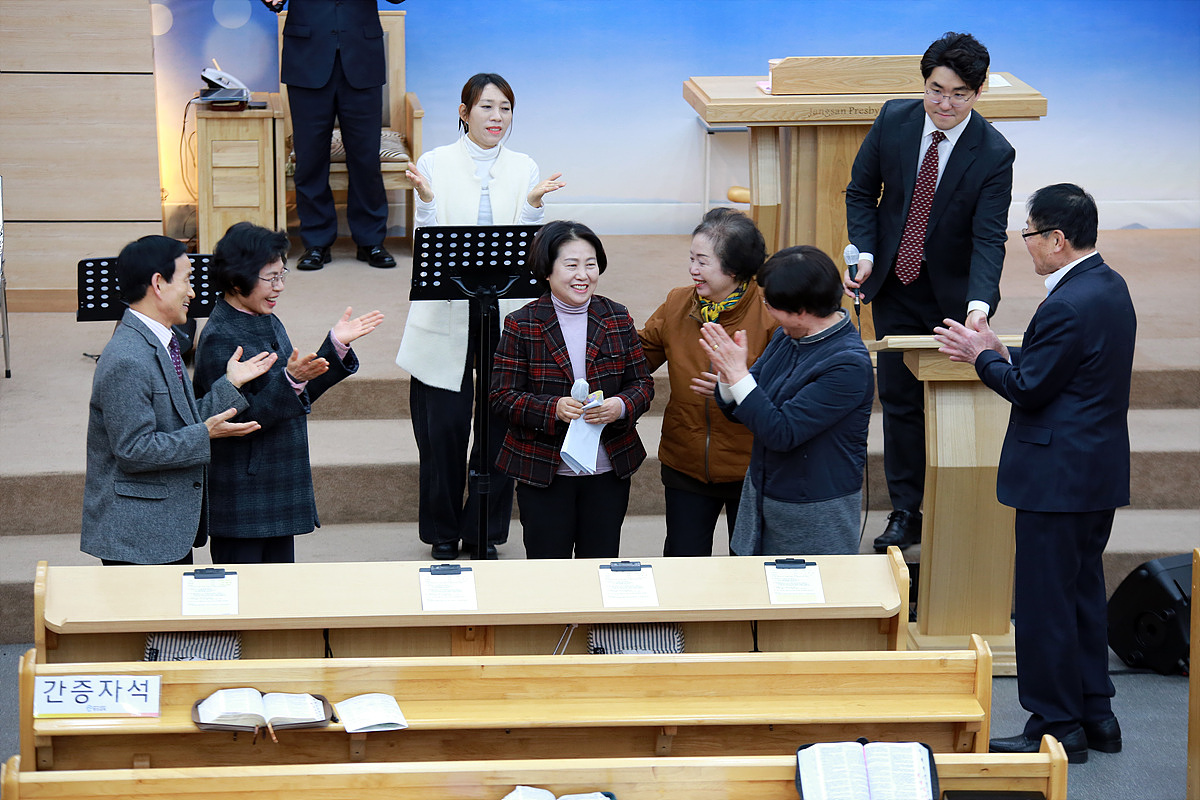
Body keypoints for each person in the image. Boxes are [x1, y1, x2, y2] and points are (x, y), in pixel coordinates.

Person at [933, 184, 1134, 764]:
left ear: (1056, 238)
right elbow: (1068, 369)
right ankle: (1096, 715)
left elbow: (1030, 390)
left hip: (1055, 479)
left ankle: (1056, 725)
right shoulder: (1109, 285)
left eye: (1028, 234)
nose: (1025, 245)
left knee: (1046, 606)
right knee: (1082, 597)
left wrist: (981, 358)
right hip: (1093, 473)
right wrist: (1002, 351)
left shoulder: (1066, 303)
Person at [844, 31, 1014, 553]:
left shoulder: (994, 153)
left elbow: (988, 237)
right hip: (895, 283)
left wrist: (979, 307)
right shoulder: (894, 119)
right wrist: (865, 252)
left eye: (959, 94)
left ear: (979, 92)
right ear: (924, 84)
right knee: (899, 401)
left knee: (954, 403)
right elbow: (861, 192)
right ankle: (905, 510)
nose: (944, 104)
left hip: (953, 299)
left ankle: (958, 509)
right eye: (936, 90)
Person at [395, 72, 565, 560]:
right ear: (464, 112)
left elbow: (529, 251)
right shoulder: (436, 162)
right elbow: (429, 239)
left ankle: (484, 531)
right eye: (487, 107)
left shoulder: (523, 166)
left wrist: (532, 206)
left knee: (500, 429)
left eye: (505, 108)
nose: (497, 117)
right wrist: (426, 201)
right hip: (446, 309)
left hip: (504, 311)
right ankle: (442, 532)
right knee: (442, 431)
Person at [193, 222, 384, 564]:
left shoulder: (264, 318)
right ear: (236, 280)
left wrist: (334, 347)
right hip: (245, 497)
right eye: (270, 278)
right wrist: (291, 381)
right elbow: (237, 421)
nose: (279, 287)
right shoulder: (220, 335)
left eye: (282, 275)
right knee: (246, 593)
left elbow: (295, 396)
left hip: (276, 483)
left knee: (281, 592)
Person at [81, 235, 276, 565]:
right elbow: (133, 450)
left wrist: (230, 383)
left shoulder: (161, 341)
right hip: (138, 538)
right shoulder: (127, 358)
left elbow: (181, 420)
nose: (193, 292)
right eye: (186, 280)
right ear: (158, 284)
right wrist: (205, 435)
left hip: (161, 530)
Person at [490, 221, 654, 559]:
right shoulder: (523, 323)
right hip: (545, 471)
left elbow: (642, 383)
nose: (583, 275)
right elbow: (502, 396)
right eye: (571, 265)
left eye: (590, 264)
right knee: (550, 569)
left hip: (607, 469)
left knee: (600, 563)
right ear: (546, 270)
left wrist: (620, 406)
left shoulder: (616, 316)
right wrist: (552, 408)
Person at [701, 246, 873, 557]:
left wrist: (738, 375)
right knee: (750, 581)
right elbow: (746, 406)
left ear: (801, 310)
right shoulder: (787, 335)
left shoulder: (848, 364)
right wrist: (728, 377)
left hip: (813, 509)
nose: (766, 309)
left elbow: (782, 432)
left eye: (769, 303)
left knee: (802, 586)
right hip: (761, 491)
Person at [638, 208, 776, 556]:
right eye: (691, 258)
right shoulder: (677, 302)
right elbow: (638, 357)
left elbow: (785, 392)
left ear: (734, 268)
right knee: (683, 561)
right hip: (685, 459)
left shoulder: (769, 312)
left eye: (702, 261)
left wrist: (735, 385)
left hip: (751, 465)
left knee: (748, 565)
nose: (692, 269)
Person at [272, 0, 404, 271]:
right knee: (310, 159)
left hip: (362, 56)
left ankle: (370, 241)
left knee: (366, 159)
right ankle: (316, 242)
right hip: (306, 56)